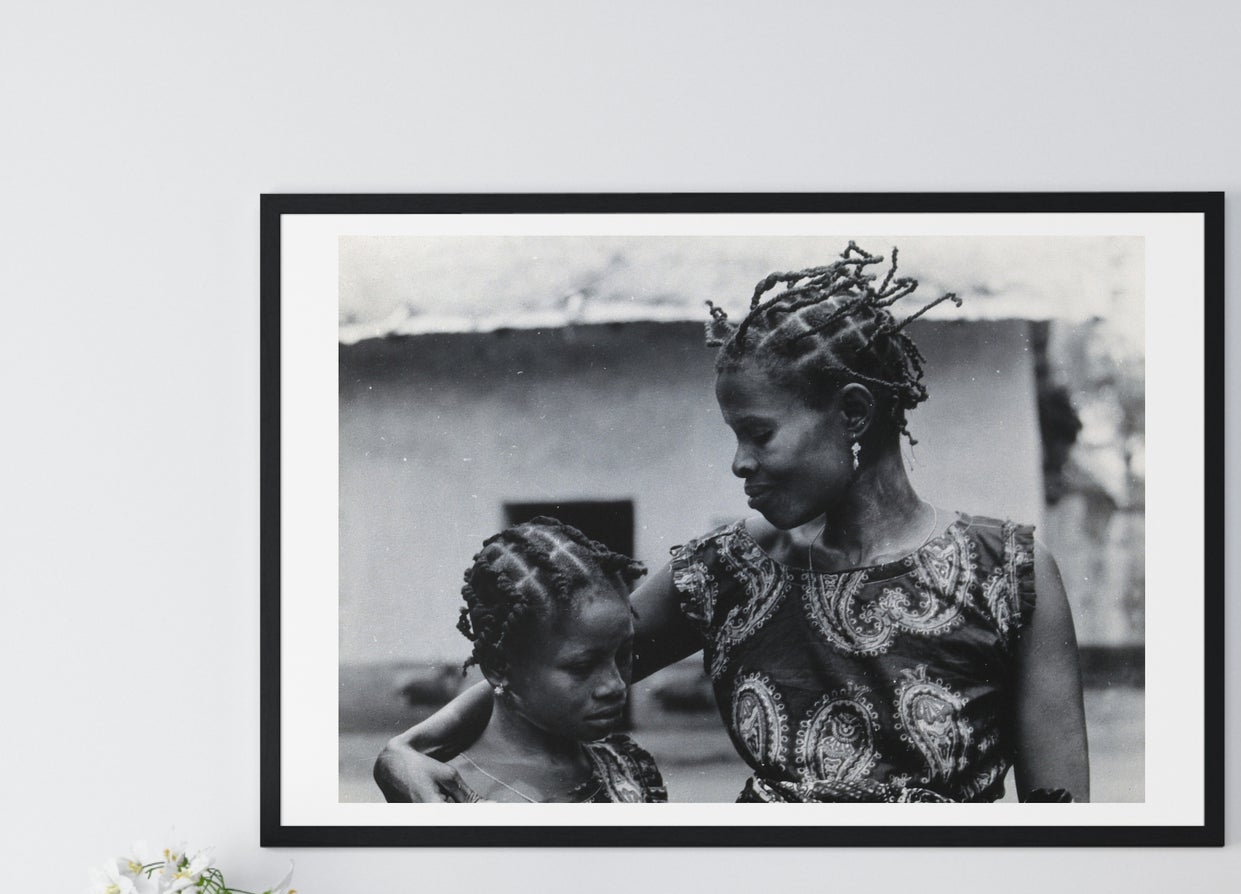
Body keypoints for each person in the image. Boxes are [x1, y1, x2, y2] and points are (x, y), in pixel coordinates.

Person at [376, 243, 1088, 803]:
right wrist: (405, 751)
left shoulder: (1008, 578)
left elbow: (1059, 823)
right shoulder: (725, 573)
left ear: (852, 414)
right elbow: (544, 660)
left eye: (757, 433)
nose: (739, 463)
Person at [377, 517, 666, 804]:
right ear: (499, 668)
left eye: (625, 654)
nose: (615, 685)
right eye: (582, 667)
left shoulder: (630, 768)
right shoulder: (439, 792)